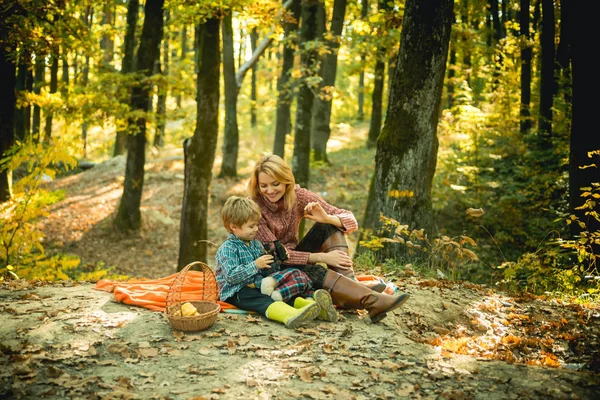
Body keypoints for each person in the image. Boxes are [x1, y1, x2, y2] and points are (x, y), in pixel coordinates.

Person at [248, 154, 410, 323]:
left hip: (295, 257)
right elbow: (275, 254)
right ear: (257, 185)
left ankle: (351, 284)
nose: (270, 190)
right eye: (263, 186)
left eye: (276, 184)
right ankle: (372, 301)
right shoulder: (253, 207)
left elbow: (349, 219)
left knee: (329, 225)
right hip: (270, 269)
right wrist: (321, 257)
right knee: (316, 272)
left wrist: (327, 218)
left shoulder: (298, 195)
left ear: (286, 181)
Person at [215, 196, 338, 328]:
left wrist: (274, 261)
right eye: (251, 226)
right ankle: (289, 315)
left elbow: (267, 272)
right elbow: (232, 276)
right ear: (234, 227)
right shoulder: (228, 249)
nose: (256, 229)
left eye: (257, 224)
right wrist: (255, 265)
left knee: (286, 285)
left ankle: (313, 307)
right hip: (237, 291)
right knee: (262, 300)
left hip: (258, 284)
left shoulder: (256, 244)